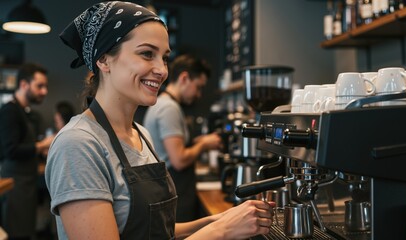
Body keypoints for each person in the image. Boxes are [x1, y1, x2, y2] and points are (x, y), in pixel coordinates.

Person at [45, 2, 274, 240]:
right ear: (103, 60)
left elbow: (155, 231)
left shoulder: (141, 134)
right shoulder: (78, 144)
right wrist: (221, 231)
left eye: (164, 58)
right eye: (147, 54)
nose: (162, 70)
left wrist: (218, 219)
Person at [143, 54, 222, 222]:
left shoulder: (163, 103)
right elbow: (178, 160)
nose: (199, 94)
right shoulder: (169, 108)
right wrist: (204, 145)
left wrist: (198, 142)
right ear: (184, 78)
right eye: (198, 87)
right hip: (174, 187)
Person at [0, 62, 54, 240]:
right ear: (24, 84)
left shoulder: (25, 111)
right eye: (40, 86)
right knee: (17, 234)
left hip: (27, 182)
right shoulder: (9, 111)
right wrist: (42, 145)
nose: (44, 91)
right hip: (15, 184)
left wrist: (41, 151)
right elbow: (10, 150)